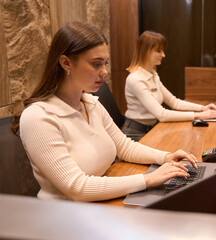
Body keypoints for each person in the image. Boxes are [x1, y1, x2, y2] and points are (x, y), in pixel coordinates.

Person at [11, 21, 197, 202]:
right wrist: (147, 180)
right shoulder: (38, 117)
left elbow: (125, 147)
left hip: (101, 206)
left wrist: (165, 157)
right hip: (63, 220)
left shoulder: (91, 103)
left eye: (105, 64)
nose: (104, 72)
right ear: (66, 63)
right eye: (96, 64)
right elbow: (77, 188)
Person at [122, 31, 216, 141]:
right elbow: (162, 114)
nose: (163, 55)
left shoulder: (153, 75)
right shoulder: (135, 79)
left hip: (152, 129)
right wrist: (198, 116)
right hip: (135, 134)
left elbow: (174, 102)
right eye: (158, 51)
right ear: (146, 51)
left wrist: (202, 108)